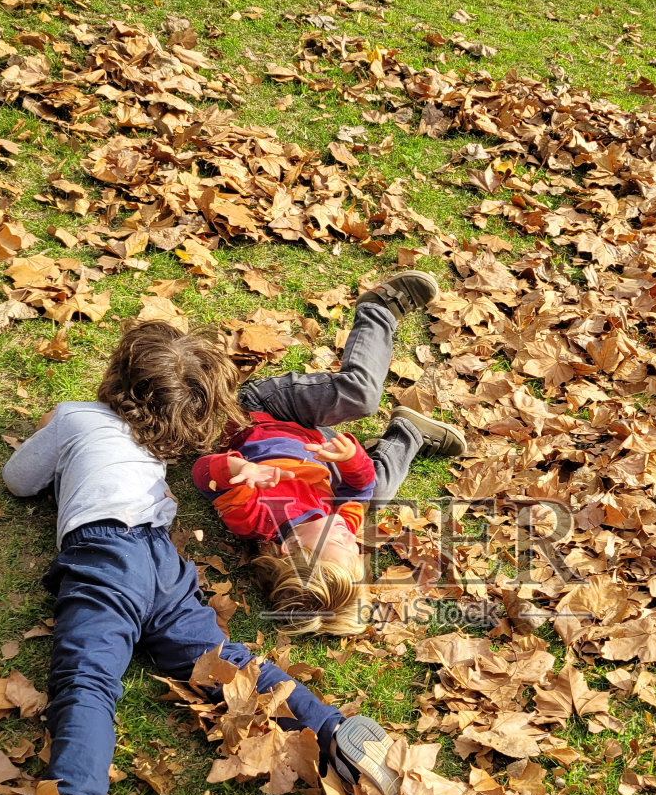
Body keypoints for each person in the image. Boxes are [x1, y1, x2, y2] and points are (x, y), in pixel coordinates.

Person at [0, 272, 452, 795]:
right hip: (165, 567)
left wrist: (55, 431)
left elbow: (18, 480)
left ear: (115, 378)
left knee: (87, 680)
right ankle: (333, 730)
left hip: (106, 556)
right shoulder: (162, 445)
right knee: (226, 660)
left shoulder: (81, 416)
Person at [193, 271, 466, 634]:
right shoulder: (341, 526)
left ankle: (379, 307)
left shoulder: (257, 518)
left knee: (361, 397)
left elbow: (202, 474)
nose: (351, 538)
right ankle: (409, 433)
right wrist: (352, 461)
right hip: (318, 443)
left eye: (339, 543)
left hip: (264, 413)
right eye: (356, 552)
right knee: (378, 493)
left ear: (291, 548)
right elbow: (359, 489)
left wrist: (234, 469)